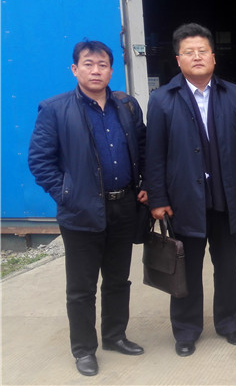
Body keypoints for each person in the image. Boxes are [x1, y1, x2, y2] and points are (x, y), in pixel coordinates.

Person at [28, 40, 147, 376]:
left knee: (118, 279)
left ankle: (115, 336)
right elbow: (40, 161)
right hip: (81, 212)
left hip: (123, 206)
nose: (96, 71)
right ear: (75, 69)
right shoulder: (55, 109)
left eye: (102, 65)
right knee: (82, 288)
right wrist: (66, 195)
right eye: (89, 64)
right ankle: (83, 349)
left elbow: (143, 147)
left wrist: (145, 185)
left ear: (111, 70)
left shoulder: (126, 106)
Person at [145, 23, 236, 357]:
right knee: (187, 269)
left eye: (202, 51)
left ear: (213, 57)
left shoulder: (234, 94)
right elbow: (154, 154)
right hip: (184, 201)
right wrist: (158, 198)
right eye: (189, 52)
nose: (197, 57)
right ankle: (186, 330)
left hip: (226, 197)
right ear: (178, 60)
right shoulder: (162, 100)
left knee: (228, 267)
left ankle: (230, 324)